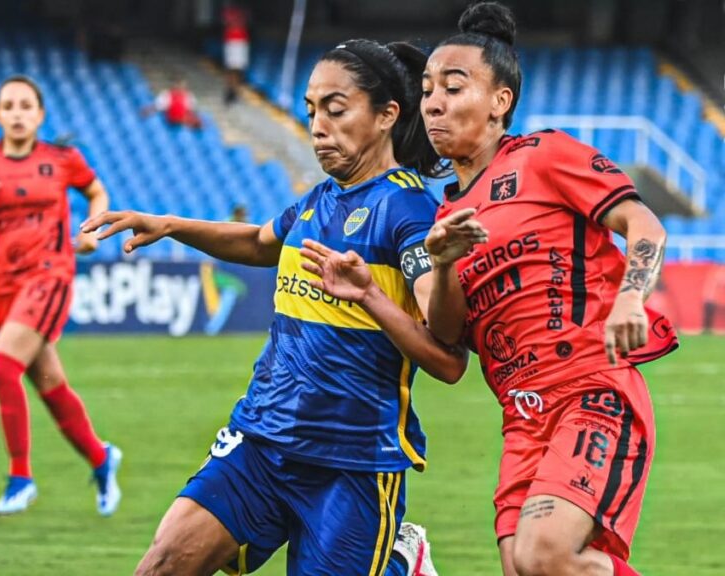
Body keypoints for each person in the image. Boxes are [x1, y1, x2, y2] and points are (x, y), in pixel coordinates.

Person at [84, 39, 457, 576]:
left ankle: (401, 561)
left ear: (385, 116)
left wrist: (371, 297)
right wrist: (170, 225)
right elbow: (261, 243)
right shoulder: (318, 199)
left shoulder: (409, 210)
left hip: (350, 463)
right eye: (310, 111)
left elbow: (445, 358)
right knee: (160, 566)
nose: (317, 126)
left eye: (335, 109)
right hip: (261, 440)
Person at [420, 4, 678, 576]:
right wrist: (442, 266)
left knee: (544, 554)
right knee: (522, 565)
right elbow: (446, 338)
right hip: (521, 415)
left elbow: (645, 225)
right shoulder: (447, 216)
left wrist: (631, 298)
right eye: (427, 89)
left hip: (590, 389)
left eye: (453, 87)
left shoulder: (545, 156)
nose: (434, 102)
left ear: (499, 102)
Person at [0, 75, 122, 517]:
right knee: (49, 385)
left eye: (27, 105)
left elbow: (95, 190)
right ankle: (102, 459)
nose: (18, 113)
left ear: (40, 114)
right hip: (0, 286)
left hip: (49, 275)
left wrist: (89, 230)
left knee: (3, 367)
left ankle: (21, 478)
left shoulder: (62, 160)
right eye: (9, 105)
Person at [222, 4, 250, 105]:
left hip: (241, 43)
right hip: (231, 42)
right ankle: (231, 91)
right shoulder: (229, 9)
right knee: (231, 69)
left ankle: (234, 92)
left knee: (238, 70)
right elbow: (227, 21)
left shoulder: (245, 10)